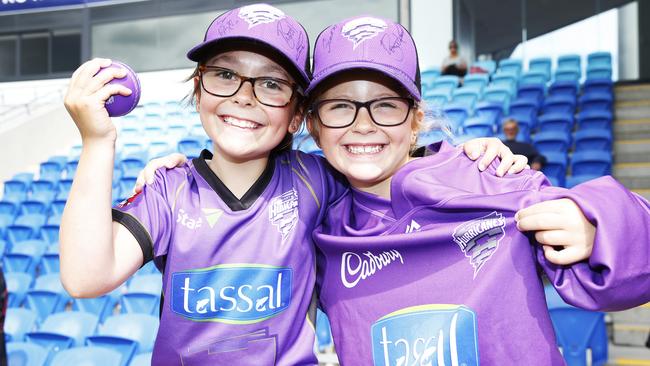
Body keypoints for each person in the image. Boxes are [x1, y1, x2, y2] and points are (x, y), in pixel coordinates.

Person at [59, 4, 525, 365]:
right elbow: (84, 277)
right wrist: (98, 142)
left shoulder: (316, 180)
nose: (244, 94)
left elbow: (385, 164)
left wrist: (468, 156)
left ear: (298, 114)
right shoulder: (168, 189)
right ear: (198, 90)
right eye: (225, 74)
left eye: (272, 84)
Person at [304, 15, 650, 365]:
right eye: (340, 106)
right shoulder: (318, 230)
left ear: (415, 122)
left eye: (386, 105)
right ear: (314, 126)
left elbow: (632, 272)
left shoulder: (488, 178)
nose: (363, 125)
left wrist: (596, 222)